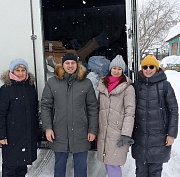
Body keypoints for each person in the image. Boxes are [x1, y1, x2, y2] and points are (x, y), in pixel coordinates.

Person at [41, 53, 98, 177]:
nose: (70, 66)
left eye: (73, 63)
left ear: (77, 64)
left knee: (81, 168)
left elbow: (92, 108)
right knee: (59, 168)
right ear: (62, 65)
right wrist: (48, 128)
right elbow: (46, 106)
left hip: (81, 133)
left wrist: (92, 130)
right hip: (59, 132)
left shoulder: (86, 83)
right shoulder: (52, 82)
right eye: (67, 63)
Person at [132, 55, 179, 177]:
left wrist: (171, 134)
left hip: (159, 138)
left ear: (157, 68)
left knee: (155, 172)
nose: (148, 69)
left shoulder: (165, 86)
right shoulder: (136, 86)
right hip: (140, 137)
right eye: (145, 67)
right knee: (140, 172)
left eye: (151, 67)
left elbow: (173, 110)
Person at [97, 55, 135, 177]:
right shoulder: (103, 85)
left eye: (119, 69)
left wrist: (126, 134)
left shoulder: (128, 88)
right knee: (107, 162)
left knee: (113, 163)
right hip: (104, 131)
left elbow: (130, 112)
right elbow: (99, 109)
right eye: (114, 68)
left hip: (117, 132)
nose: (116, 71)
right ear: (110, 69)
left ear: (123, 71)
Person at [0, 58, 38, 177]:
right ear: (12, 72)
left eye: (23, 70)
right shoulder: (6, 89)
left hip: (26, 135)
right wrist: (2, 135)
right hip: (11, 136)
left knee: (22, 167)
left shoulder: (30, 87)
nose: (21, 73)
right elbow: (1, 114)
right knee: (10, 167)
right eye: (18, 70)